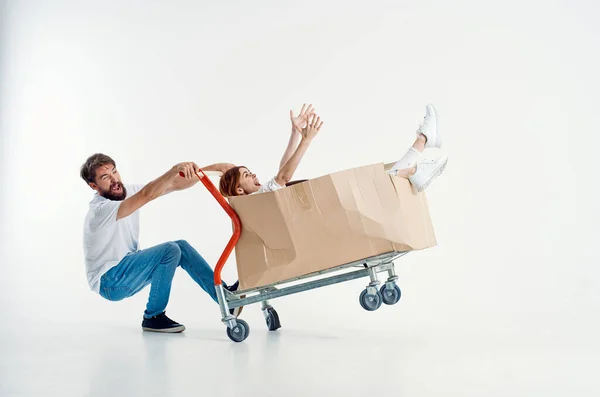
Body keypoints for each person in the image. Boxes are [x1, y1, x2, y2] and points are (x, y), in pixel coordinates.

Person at [80, 155, 239, 333]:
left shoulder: (127, 192)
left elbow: (175, 184)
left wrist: (215, 168)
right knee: (169, 250)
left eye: (114, 171)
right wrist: (173, 169)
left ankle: (225, 298)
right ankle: (153, 317)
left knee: (181, 247)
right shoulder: (100, 210)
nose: (115, 179)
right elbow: (148, 194)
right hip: (109, 281)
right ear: (94, 186)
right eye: (105, 177)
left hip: (127, 268)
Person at [218, 103, 448, 197]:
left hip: (326, 197)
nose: (254, 174)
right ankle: (417, 159)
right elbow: (284, 176)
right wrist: (306, 140)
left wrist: (295, 133)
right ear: (239, 190)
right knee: (376, 183)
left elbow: (281, 174)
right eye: (247, 175)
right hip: (329, 204)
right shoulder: (258, 201)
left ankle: (423, 143)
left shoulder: (262, 198)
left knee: (376, 180)